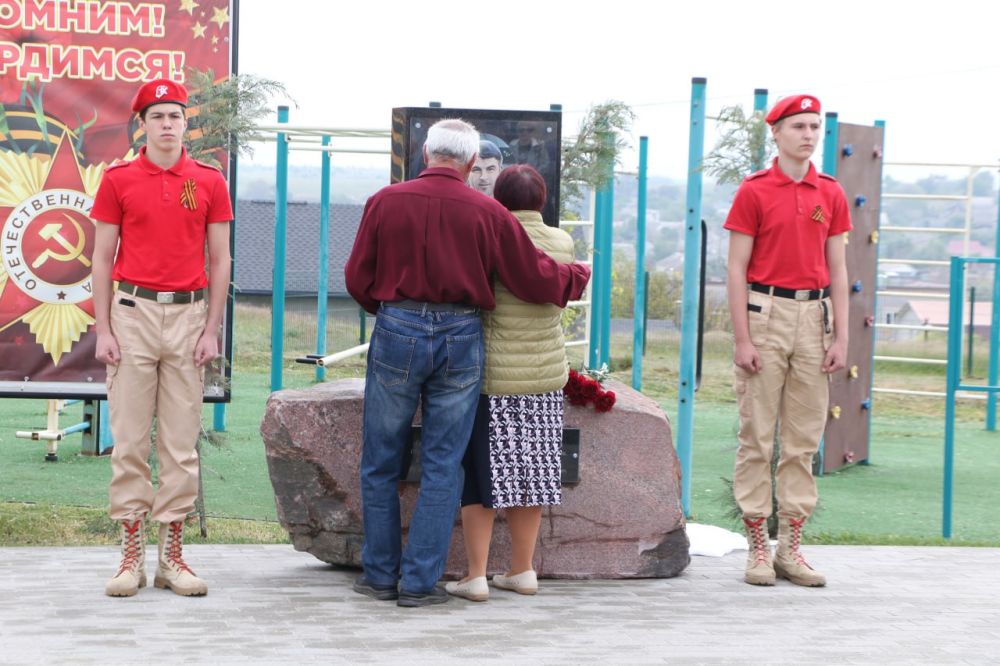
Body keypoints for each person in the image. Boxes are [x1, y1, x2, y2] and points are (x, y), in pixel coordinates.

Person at [344, 119, 590, 608]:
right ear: (472, 162)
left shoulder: (384, 202)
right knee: (444, 461)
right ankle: (418, 584)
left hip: (397, 327)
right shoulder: (487, 212)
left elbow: (357, 277)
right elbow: (532, 276)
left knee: (380, 459)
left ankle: (379, 575)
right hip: (461, 335)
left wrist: (392, 312)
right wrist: (575, 275)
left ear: (426, 154)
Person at [91, 79, 233, 598]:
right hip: (131, 313)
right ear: (142, 125)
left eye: (175, 115)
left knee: (179, 443)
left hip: (189, 317)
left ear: (185, 123)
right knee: (129, 439)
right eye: (158, 117)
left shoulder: (208, 180)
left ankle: (172, 557)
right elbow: (101, 257)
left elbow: (220, 259)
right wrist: (104, 327)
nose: (168, 124)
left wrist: (212, 328)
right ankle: (131, 557)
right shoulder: (119, 179)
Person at [724, 94, 850, 588]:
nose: (809, 133)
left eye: (815, 125)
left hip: (815, 316)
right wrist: (741, 337)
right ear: (775, 132)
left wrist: (841, 334)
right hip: (765, 312)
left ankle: (790, 548)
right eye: (798, 125)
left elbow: (840, 268)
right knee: (757, 435)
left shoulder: (831, 192)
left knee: (802, 439)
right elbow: (735, 268)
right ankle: (758, 546)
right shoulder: (755, 190)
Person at [445, 165, 572, 603]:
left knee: (481, 476)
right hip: (544, 379)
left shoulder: (490, 235)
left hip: (493, 378)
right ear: (541, 199)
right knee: (531, 475)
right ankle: (523, 570)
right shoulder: (562, 241)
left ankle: (476, 575)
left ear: (498, 197)